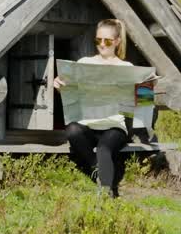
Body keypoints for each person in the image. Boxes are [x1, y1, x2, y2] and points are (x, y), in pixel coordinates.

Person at [52, 18, 144, 197]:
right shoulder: (85, 62)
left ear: (117, 42)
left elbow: (143, 99)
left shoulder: (126, 67)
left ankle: (107, 193)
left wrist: (145, 88)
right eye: (98, 40)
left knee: (104, 148)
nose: (102, 44)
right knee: (72, 131)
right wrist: (59, 85)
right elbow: (69, 90)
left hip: (114, 125)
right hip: (88, 122)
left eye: (107, 41)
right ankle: (102, 173)